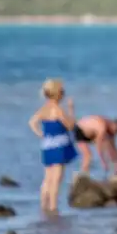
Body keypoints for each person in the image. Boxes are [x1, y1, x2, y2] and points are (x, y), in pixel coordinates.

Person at [28, 78, 78, 214]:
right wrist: (71, 110)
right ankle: (53, 206)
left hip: (47, 144)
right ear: (58, 94)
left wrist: (40, 134)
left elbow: (32, 122)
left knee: (47, 178)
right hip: (59, 145)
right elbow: (70, 125)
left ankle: (43, 206)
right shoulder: (58, 110)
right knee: (56, 178)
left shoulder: (44, 109)